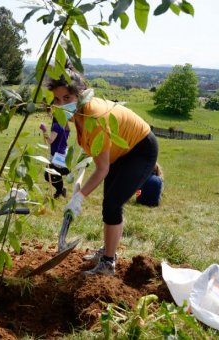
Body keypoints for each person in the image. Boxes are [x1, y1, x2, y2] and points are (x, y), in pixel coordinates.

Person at [51, 67, 158, 276]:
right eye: (57, 99)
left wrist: (79, 198)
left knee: (112, 203)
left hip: (139, 150)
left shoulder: (95, 117)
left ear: (80, 94)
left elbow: (102, 168)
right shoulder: (78, 114)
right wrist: (80, 168)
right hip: (120, 151)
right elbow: (90, 145)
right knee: (109, 203)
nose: (62, 104)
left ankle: (108, 263)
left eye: (67, 97)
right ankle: (108, 251)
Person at [40, 107, 71, 199]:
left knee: (48, 175)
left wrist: (44, 130)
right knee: (55, 174)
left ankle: (60, 190)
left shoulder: (56, 126)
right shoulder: (66, 125)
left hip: (57, 155)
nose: (51, 115)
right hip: (64, 153)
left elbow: (50, 141)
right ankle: (60, 190)